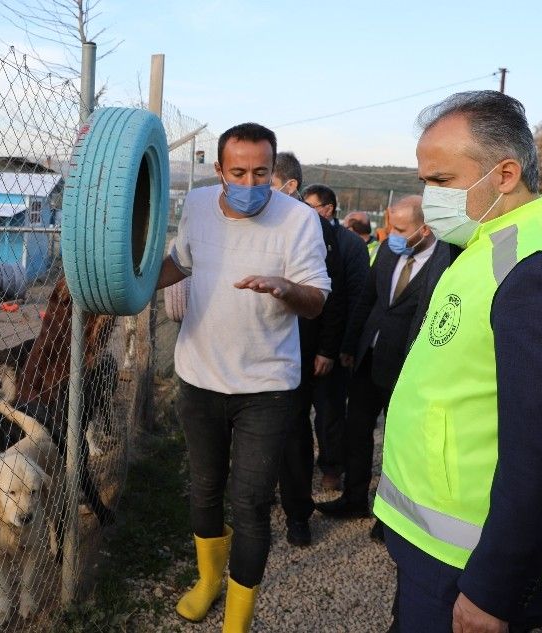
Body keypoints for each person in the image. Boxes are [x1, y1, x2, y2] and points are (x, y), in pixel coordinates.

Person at [372, 90, 542, 632]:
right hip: (437, 547)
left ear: (505, 175)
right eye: (424, 181)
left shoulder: (541, 268)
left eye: (441, 180)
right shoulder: (490, 244)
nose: (429, 197)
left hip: (468, 566)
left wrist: (493, 592)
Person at [156, 123, 331, 632]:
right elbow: (180, 263)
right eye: (238, 172)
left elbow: (316, 301)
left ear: (274, 170)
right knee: (204, 488)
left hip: (266, 389)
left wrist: (285, 288)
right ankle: (209, 581)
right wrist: (128, 282)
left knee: (251, 502)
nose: (250, 183)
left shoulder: (298, 220)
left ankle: (238, 618)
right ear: (219, 170)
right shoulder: (197, 206)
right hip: (199, 377)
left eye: (261, 172)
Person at [320, 196, 458, 540]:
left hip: (407, 367)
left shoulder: (448, 260)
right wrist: (350, 345)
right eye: (389, 227)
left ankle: (391, 515)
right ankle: (354, 499)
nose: (390, 235)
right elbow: (367, 299)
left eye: (399, 229)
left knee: (400, 444)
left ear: (425, 229)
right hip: (369, 359)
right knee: (357, 432)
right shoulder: (387, 250)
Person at [272, 152, 346, 547]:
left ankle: (298, 514)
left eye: (267, 181)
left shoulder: (313, 227)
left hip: (297, 347)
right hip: (255, 347)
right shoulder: (256, 219)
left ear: (290, 186)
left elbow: (332, 298)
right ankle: (262, 494)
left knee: (293, 430)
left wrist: (327, 349)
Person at [302, 184, 370, 489]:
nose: (304, 212)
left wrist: (342, 347)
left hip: (333, 345)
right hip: (299, 344)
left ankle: (332, 467)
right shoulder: (299, 236)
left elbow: (355, 299)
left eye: (311, 207)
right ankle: (297, 471)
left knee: (329, 412)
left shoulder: (350, 245)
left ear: (328, 209)